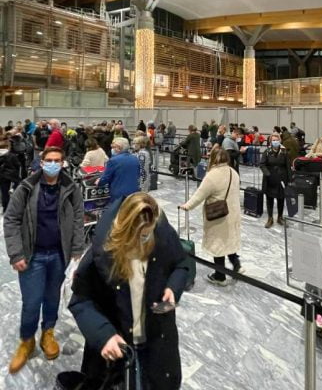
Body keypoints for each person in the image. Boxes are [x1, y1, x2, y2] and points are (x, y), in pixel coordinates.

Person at [70, 192, 188, 389]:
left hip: (157, 342)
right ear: (124, 232)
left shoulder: (161, 232)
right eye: (140, 236)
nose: (145, 242)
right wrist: (104, 335)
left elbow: (181, 263)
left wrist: (173, 287)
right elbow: (80, 301)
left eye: (148, 235)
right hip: (119, 348)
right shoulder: (102, 254)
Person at [3, 146, 84, 374]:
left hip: (59, 254)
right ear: (41, 162)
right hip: (33, 256)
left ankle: (48, 333)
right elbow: (11, 219)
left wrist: (77, 248)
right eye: (49, 160)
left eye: (57, 160)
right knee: (31, 302)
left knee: (52, 298)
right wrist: (16, 253)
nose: (53, 164)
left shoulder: (71, 188)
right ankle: (27, 340)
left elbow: (78, 218)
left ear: (63, 163)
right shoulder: (26, 188)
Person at [180, 148, 242, 285]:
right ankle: (236, 264)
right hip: (233, 213)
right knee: (228, 240)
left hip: (218, 215)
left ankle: (220, 276)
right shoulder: (233, 172)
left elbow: (199, 195)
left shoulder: (212, 175)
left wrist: (187, 206)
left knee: (218, 243)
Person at [260, 133, 291, 228]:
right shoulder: (267, 151)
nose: (275, 142)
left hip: (282, 179)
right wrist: (268, 174)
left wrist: (289, 180)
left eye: (277, 140)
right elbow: (262, 164)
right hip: (270, 179)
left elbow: (288, 166)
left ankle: (280, 217)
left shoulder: (284, 152)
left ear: (280, 141)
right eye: (273, 140)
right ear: (270, 141)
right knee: (269, 199)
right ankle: (270, 218)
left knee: (281, 199)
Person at [96, 138, 140, 203]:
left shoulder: (113, 160)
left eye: (113, 147)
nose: (112, 149)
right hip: (134, 192)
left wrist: (99, 182)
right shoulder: (135, 158)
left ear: (118, 148)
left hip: (119, 195)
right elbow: (137, 174)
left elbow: (106, 178)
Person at [0, 139, 21, 212]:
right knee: (11, 191)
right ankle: (9, 207)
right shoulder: (11, 155)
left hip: (2, 176)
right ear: (7, 147)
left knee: (4, 192)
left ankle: (4, 206)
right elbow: (18, 165)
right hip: (11, 176)